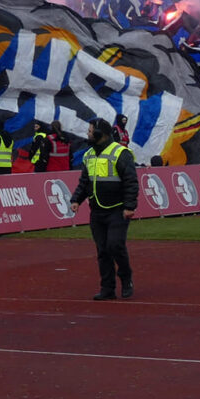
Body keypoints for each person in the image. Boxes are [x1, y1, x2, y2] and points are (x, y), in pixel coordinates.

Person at [68, 118, 138, 300]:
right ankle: (107, 288)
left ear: (101, 133)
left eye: (91, 131)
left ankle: (126, 277)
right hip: (97, 210)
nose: (88, 134)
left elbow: (131, 181)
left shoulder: (121, 153)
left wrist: (130, 206)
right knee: (103, 251)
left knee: (115, 245)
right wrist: (76, 199)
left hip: (117, 209)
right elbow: (85, 181)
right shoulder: (89, 154)